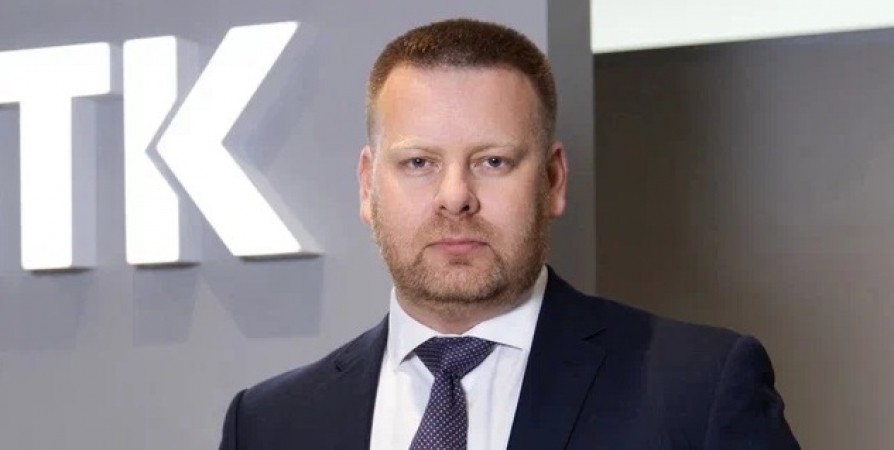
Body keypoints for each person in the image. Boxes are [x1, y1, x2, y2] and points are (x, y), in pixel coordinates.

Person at [219, 18, 799, 450]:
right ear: (368, 185)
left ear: (552, 180)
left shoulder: (698, 388)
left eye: (492, 161)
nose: (455, 196)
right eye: (419, 163)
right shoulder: (270, 425)